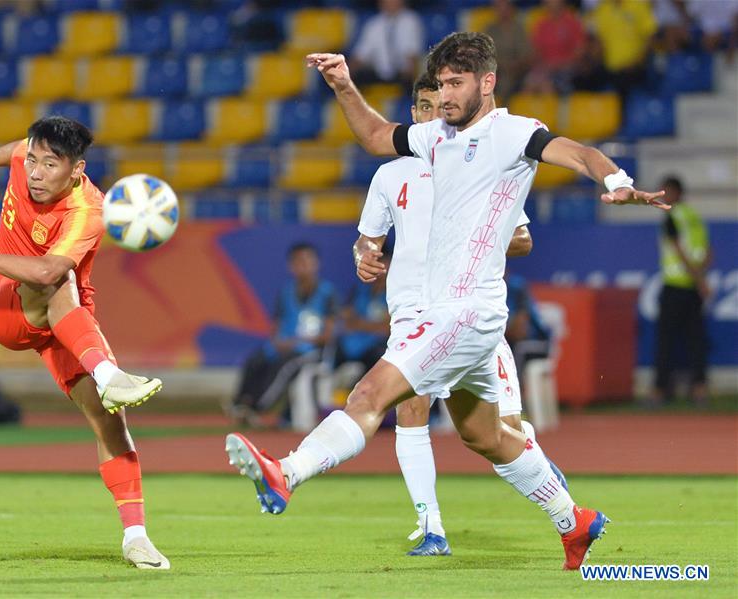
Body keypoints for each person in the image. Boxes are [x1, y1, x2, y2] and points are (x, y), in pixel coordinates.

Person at [225, 32, 667, 571]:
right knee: (485, 435)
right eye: (440, 84)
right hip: (453, 316)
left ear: (488, 82)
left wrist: (617, 179)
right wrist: (343, 85)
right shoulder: (436, 137)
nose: (446, 94)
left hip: (466, 311)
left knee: (369, 394)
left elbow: (578, 153)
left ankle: (287, 473)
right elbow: (376, 136)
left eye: (456, 83)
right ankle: (573, 520)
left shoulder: (512, 132)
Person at [353, 73, 566, 556]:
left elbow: (523, 239)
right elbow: (367, 239)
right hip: (411, 312)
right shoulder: (390, 175)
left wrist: (468, 237)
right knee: (410, 408)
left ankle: (555, 494)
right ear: (414, 115)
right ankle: (431, 528)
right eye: (425, 108)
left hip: (467, 313)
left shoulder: (479, 168)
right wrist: (363, 257)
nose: (435, 115)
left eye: (441, 106)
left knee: (501, 434)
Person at [0, 116, 169, 570]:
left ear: (77, 169)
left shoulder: (89, 209)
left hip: (66, 320)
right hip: (6, 305)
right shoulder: (25, 159)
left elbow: (49, 270)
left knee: (110, 421)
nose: (35, 172)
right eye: (33, 160)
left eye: (50, 164)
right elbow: (14, 149)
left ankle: (136, 538)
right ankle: (109, 374)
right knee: (56, 279)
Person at [230, 242, 338, 427]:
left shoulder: (327, 293)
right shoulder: (286, 292)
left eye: (307, 261)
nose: (303, 266)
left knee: (284, 366)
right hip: (284, 345)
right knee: (255, 360)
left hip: (311, 350)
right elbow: (276, 325)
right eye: (298, 262)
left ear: (316, 264)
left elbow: (328, 335)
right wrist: (277, 342)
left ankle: (257, 407)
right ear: (291, 266)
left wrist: (298, 341)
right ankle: (239, 404)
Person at [651, 175, 712, 407]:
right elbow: (708, 251)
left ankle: (660, 390)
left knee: (666, 342)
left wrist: (699, 280)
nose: (662, 196)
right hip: (692, 288)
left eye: (665, 192)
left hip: (675, 286)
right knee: (696, 341)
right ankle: (699, 389)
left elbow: (679, 251)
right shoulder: (694, 216)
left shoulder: (672, 216)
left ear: (676, 193)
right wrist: (701, 277)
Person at [335, 250, 391, 375]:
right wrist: (375, 326)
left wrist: (360, 324)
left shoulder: (396, 294)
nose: (377, 266)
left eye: (382, 262)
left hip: (378, 350)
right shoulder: (358, 291)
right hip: (352, 346)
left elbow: (388, 328)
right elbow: (346, 321)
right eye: (374, 262)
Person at [348, 0, 424, 88]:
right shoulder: (373, 24)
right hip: (378, 79)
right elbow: (360, 56)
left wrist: (410, 82)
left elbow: (413, 56)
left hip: (403, 79)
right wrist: (345, 76)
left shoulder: (412, 21)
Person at [523, 0, 587, 94]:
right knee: (529, 86)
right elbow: (536, 51)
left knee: (546, 87)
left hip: (568, 69)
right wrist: (543, 65)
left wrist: (558, 64)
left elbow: (580, 52)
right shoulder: (541, 24)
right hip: (546, 68)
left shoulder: (573, 22)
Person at [505, 269, 552, 379]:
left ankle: (515, 387)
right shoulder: (486, 289)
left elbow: (519, 332)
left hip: (537, 341)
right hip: (511, 339)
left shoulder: (517, 286)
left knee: (517, 349)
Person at [483, 0, 533, 103]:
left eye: (505, 7)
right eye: (499, 8)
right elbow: (485, 54)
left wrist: (515, 65)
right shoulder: (490, 30)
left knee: (506, 83)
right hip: (496, 69)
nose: (503, 11)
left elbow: (526, 54)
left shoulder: (519, 29)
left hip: (518, 70)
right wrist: (500, 65)